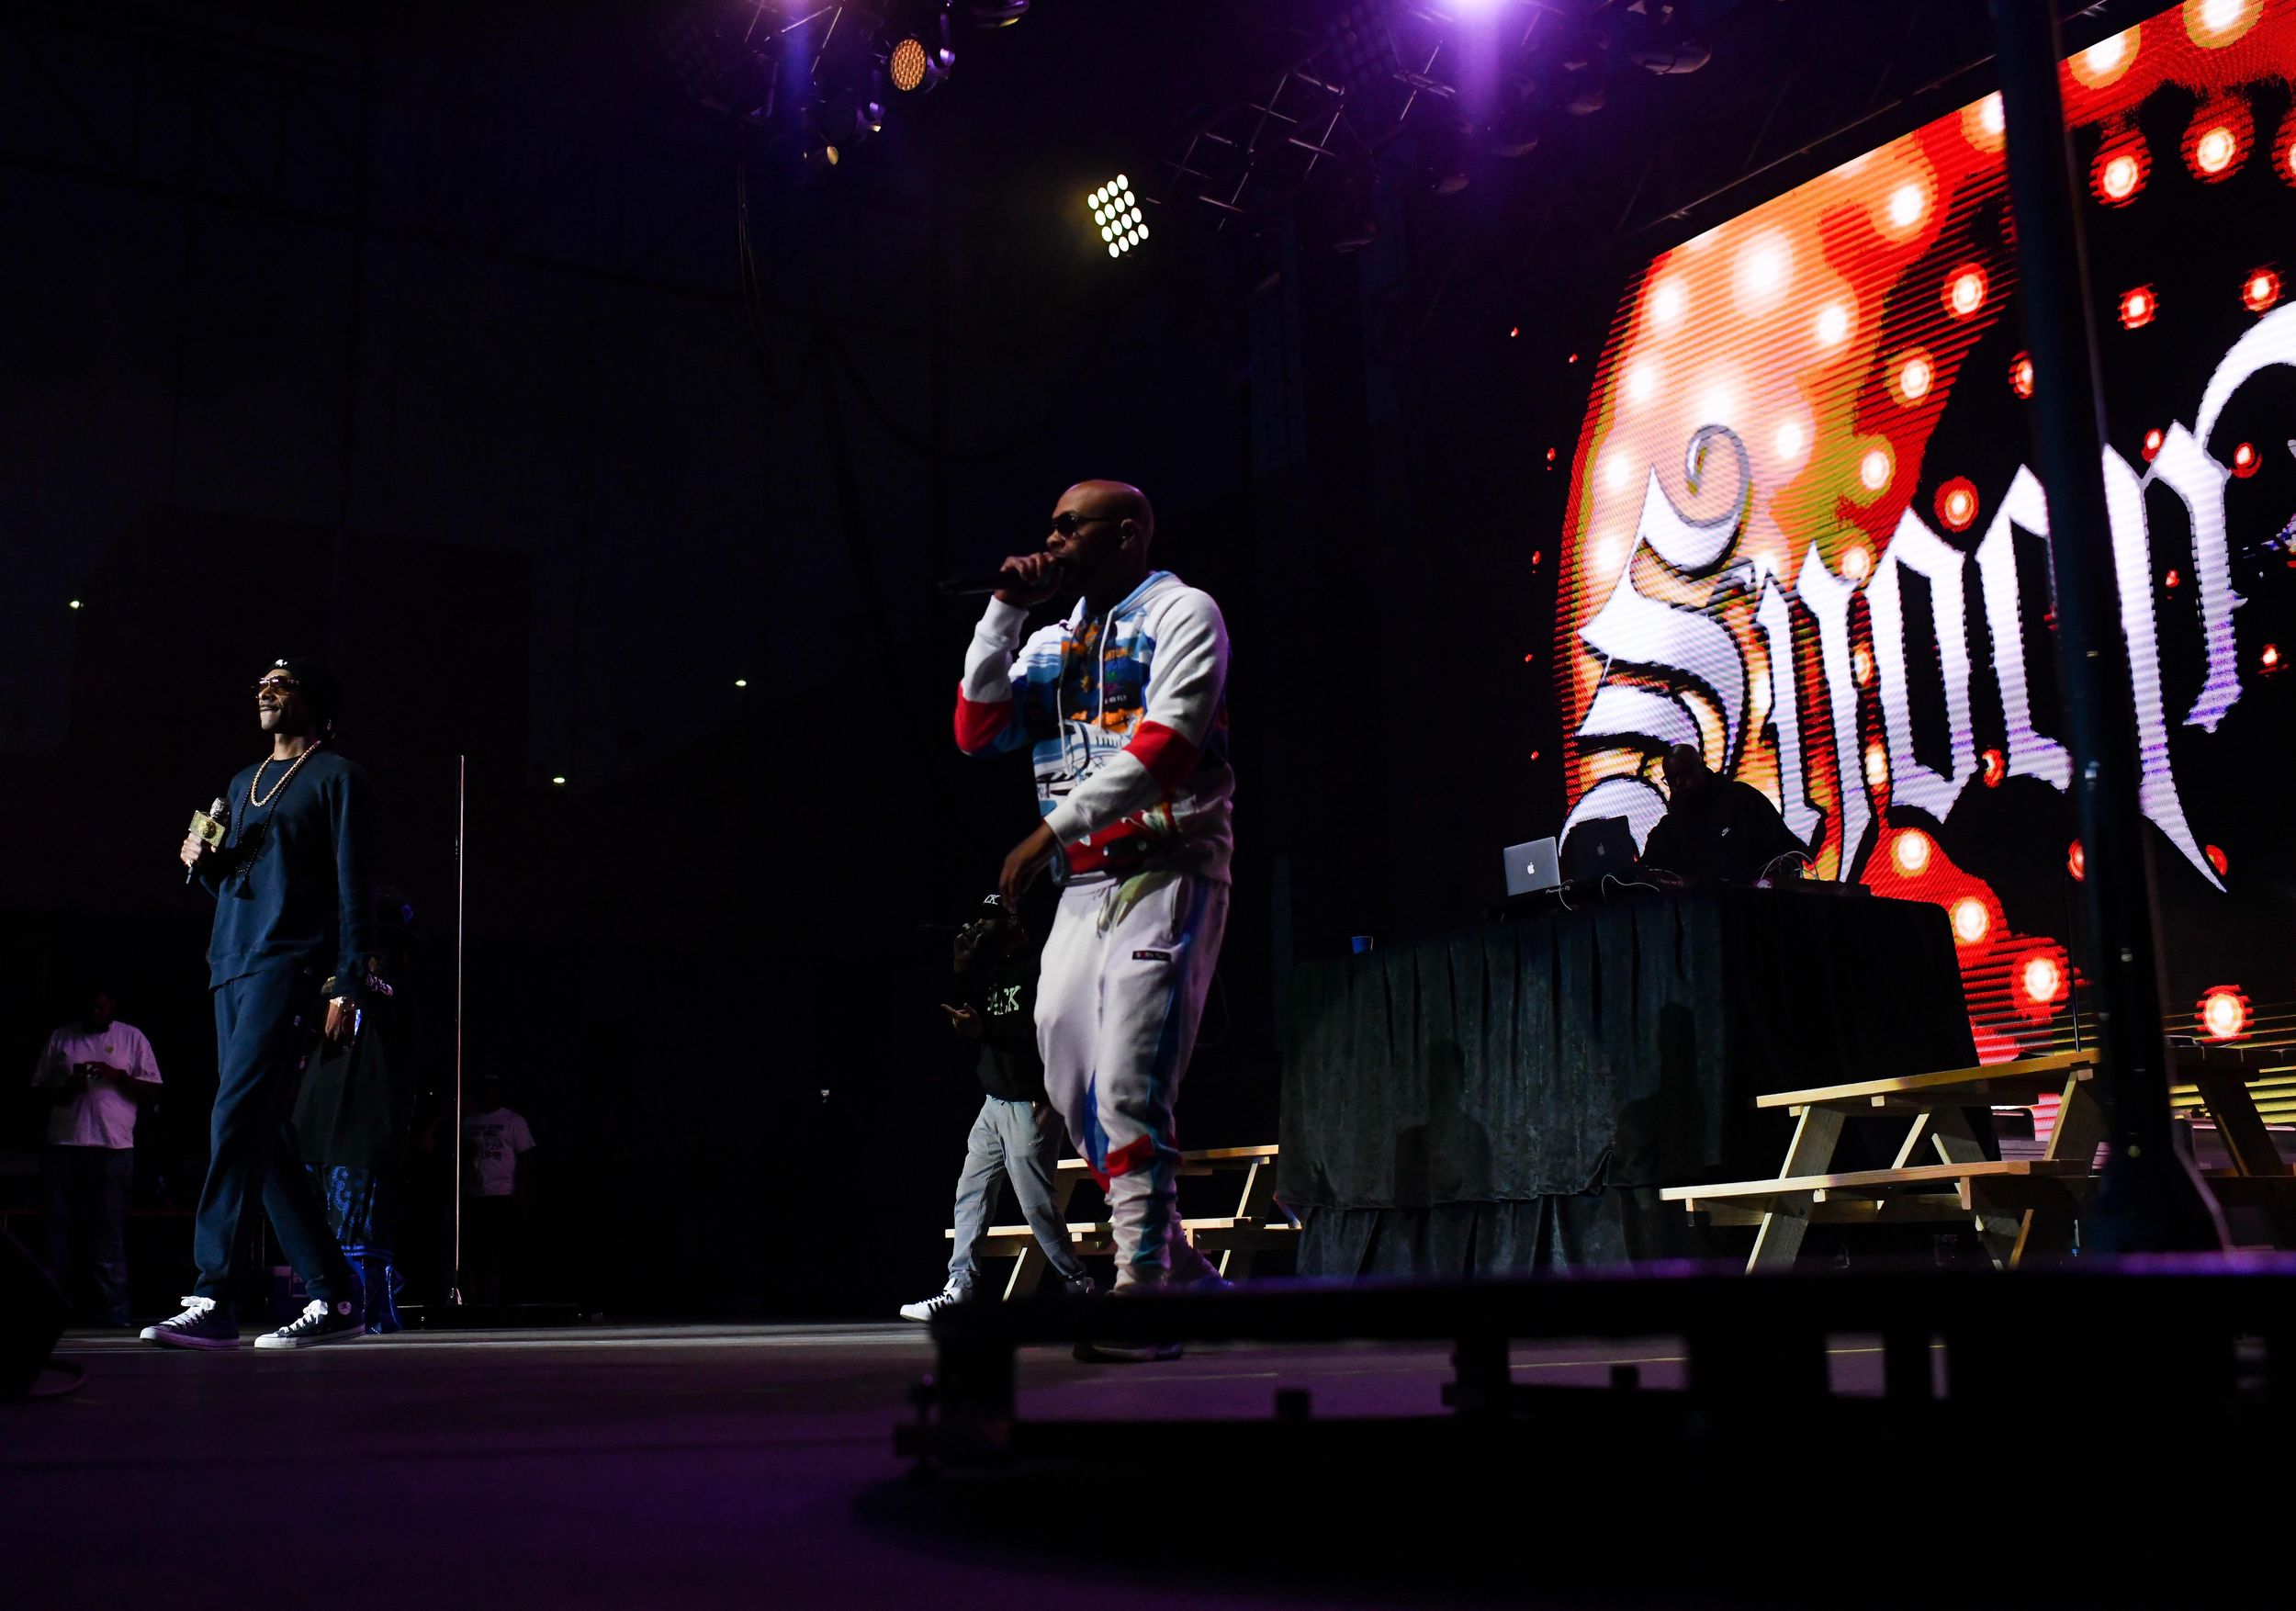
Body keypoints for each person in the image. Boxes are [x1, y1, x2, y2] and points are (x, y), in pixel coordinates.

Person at [954, 479, 1234, 1330]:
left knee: (1128, 1080)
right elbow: (975, 730)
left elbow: (1171, 743)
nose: (1054, 539)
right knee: (1070, 1082)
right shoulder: (1047, 643)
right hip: (1082, 884)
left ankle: (1141, 1287)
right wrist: (1003, 611)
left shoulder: (1184, 612)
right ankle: (1179, 1261)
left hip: (1168, 865)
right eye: (1051, 526)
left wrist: (1052, 828)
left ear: (1127, 535)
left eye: (1070, 527)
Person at [152, 658, 377, 1350]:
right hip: (231, 962)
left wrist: (348, 980)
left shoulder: (336, 776)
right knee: (262, 1137)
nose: (266, 692)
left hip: (289, 962)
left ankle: (213, 1293)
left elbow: (352, 884)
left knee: (234, 1115)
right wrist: (204, 859)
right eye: (260, 685)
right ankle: (336, 1297)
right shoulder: (240, 783)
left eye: (283, 685)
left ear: (314, 703)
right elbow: (237, 881)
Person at [900, 895, 1096, 1323]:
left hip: (1030, 1101)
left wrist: (984, 1029)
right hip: (994, 1102)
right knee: (970, 1193)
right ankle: (960, 1288)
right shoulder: (995, 970)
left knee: (1035, 1204)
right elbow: (971, 1016)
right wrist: (961, 970)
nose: (981, 927)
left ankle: (1078, 1284)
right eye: (980, 919)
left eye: (990, 919)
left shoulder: (1042, 966)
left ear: (1013, 921)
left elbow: (1040, 1033)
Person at [30, 990, 162, 1327]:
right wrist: (67, 1087)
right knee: (56, 1233)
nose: (94, 1011)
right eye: (89, 1005)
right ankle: (50, 1312)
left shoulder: (130, 1037)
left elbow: (153, 1091)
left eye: (100, 1005)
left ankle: (115, 1313)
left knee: (109, 1234)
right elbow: (38, 1091)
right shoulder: (62, 1036)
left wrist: (116, 1075)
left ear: (112, 1006)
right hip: (64, 1144)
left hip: (113, 1147)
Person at [1637, 742, 1806, 884]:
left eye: (1684, 774)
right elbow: (1646, 870)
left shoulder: (1742, 799)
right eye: (1672, 779)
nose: (1679, 783)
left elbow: (1786, 850)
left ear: (1701, 768)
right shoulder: (1670, 827)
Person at [460, 1076, 535, 1306]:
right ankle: (483, 1301)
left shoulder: (513, 1120)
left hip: (504, 1195)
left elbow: (526, 1158)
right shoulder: (469, 1121)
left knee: (504, 1252)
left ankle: (508, 1301)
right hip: (476, 1195)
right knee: (479, 1252)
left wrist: (520, 1195)